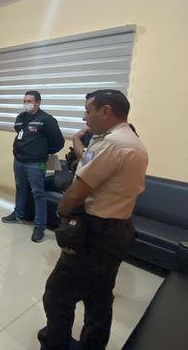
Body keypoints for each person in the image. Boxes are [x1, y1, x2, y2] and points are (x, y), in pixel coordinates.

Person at [37, 90, 148, 350]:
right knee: (99, 297)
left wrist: (63, 211)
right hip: (118, 230)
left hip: (96, 233)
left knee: (57, 294)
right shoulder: (130, 141)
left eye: (88, 110)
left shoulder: (113, 144)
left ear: (106, 111)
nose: (84, 116)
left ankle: (55, 343)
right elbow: (87, 160)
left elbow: (77, 191)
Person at [2, 90, 65, 242]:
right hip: (19, 160)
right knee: (20, 187)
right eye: (24, 101)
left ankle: (40, 226)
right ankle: (18, 214)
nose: (26, 104)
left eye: (29, 101)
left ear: (38, 102)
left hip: (37, 163)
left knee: (38, 193)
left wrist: (42, 152)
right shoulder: (21, 117)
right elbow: (20, 133)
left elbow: (59, 142)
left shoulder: (47, 120)